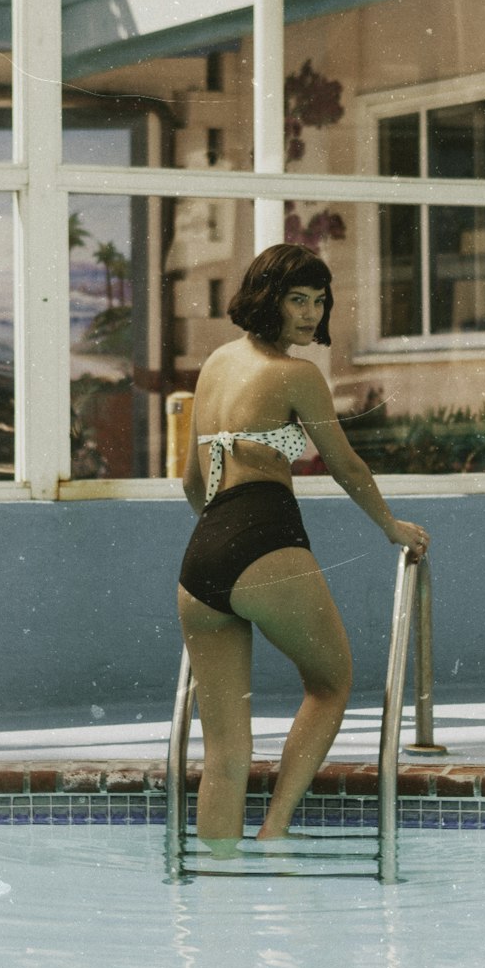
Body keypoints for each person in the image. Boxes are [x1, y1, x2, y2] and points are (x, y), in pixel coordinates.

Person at [178, 243, 430, 852]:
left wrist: (223, 533)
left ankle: (218, 888)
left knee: (224, 754)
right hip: (265, 539)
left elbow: (190, 479)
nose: (311, 314)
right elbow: (345, 464)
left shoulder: (215, 363)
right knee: (330, 682)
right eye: (298, 299)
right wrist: (392, 527)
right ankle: (274, 830)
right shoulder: (297, 375)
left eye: (319, 301)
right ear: (268, 298)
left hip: (201, 557)